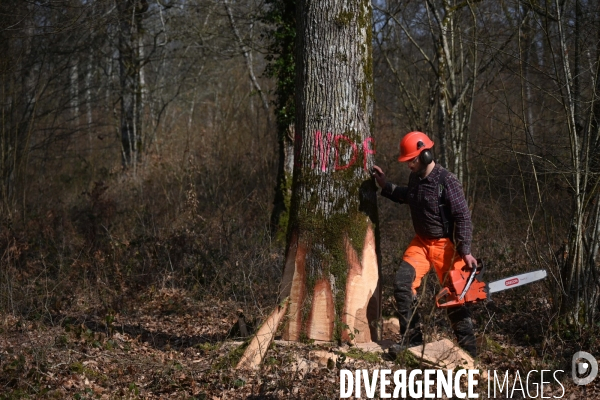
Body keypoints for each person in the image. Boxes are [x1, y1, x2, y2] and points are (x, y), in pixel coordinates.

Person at [372, 131, 478, 359]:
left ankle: (470, 355)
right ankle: (412, 343)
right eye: (408, 160)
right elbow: (409, 196)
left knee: (455, 297)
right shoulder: (416, 179)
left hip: (446, 245)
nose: (409, 165)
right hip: (421, 242)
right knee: (402, 284)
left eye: (412, 160)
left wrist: (466, 251)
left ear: (427, 155)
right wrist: (386, 186)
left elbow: (462, 216)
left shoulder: (447, 182)